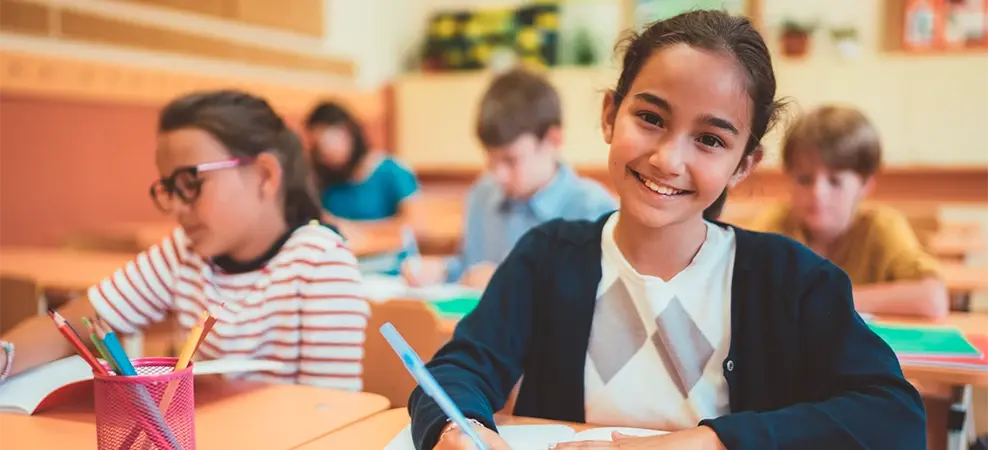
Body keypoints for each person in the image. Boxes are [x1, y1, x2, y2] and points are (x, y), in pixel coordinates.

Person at [409, 11, 925, 450]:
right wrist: (459, 430)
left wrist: (704, 440)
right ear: (611, 115)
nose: (668, 159)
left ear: (744, 164)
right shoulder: (548, 257)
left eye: (709, 139)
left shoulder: (790, 279)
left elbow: (894, 416)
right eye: (651, 118)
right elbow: (456, 372)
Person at [0, 90, 369, 391]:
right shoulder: (183, 253)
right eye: (168, 188)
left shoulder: (321, 264)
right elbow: (70, 325)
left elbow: (331, 412)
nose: (175, 206)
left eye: (191, 183)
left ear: (263, 175)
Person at [401, 68, 617, 289]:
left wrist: (510, 281)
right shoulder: (483, 194)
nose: (499, 175)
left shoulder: (592, 210)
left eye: (510, 161)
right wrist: (442, 271)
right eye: (491, 160)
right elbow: (470, 266)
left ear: (553, 140)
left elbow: (596, 297)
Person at [747, 106, 948, 319]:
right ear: (788, 178)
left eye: (835, 181)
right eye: (804, 179)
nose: (818, 193)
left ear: (865, 184)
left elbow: (933, 299)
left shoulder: (881, 227)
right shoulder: (775, 225)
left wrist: (825, 298)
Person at [305, 101, 423, 225]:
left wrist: (355, 231)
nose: (322, 155)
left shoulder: (393, 171)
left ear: (347, 132)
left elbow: (416, 226)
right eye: (316, 149)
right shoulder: (324, 180)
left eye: (325, 144)